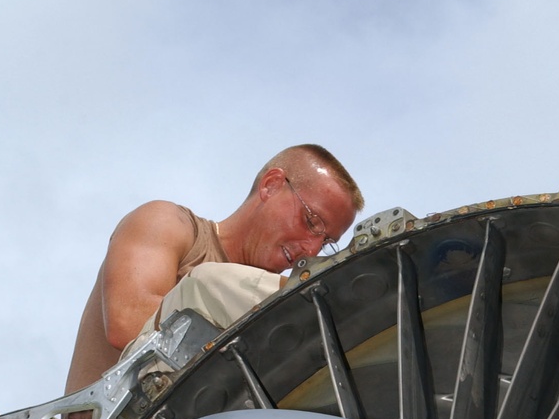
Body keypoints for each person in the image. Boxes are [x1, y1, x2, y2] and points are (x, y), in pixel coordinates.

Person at [65, 144, 363, 392]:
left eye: (325, 244)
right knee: (208, 286)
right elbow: (127, 323)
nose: (310, 250)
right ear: (271, 185)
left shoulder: (267, 303)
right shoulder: (168, 224)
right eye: (311, 222)